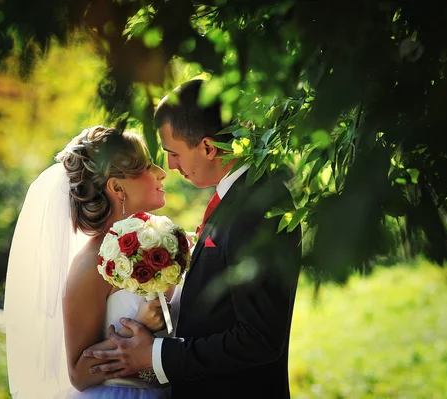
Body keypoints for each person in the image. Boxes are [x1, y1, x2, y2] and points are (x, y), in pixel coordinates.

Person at [83, 80, 302, 398]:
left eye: (173, 153)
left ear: (209, 148)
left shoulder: (258, 209)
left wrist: (155, 355)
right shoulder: (234, 199)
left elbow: (258, 338)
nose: (170, 166)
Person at [4, 126, 176, 399]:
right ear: (117, 187)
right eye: (146, 166)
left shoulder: (163, 241)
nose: (162, 172)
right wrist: (139, 329)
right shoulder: (90, 264)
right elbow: (79, 374)